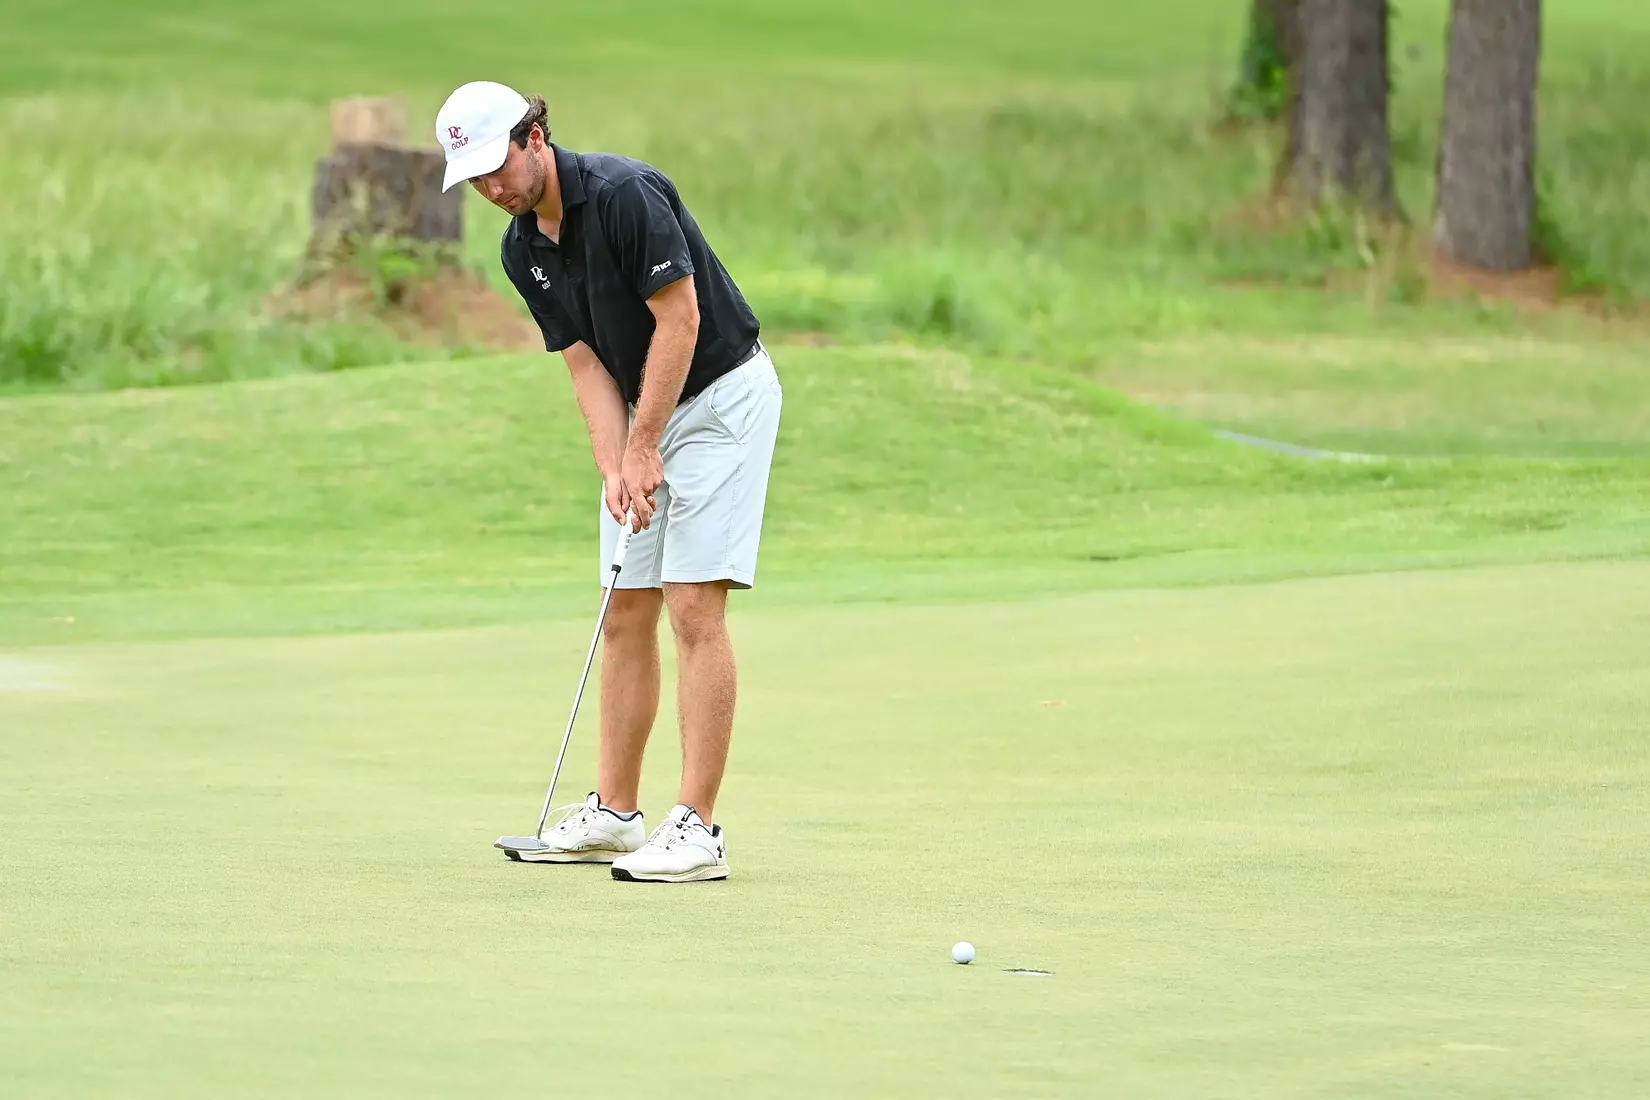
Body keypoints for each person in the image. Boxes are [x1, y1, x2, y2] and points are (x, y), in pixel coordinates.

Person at [436, 81, 782, 883]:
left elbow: (682, 321)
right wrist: (614, 462)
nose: (493, 189)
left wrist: (646, 443)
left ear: (535, 136)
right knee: (626, 604)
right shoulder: (522, 249)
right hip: (644, 414)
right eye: (475, 179)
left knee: (694, 603)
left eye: (497, 166)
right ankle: (617, 814)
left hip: (721, 398)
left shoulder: (625, 194)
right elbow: (585, 362)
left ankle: (697, 829)